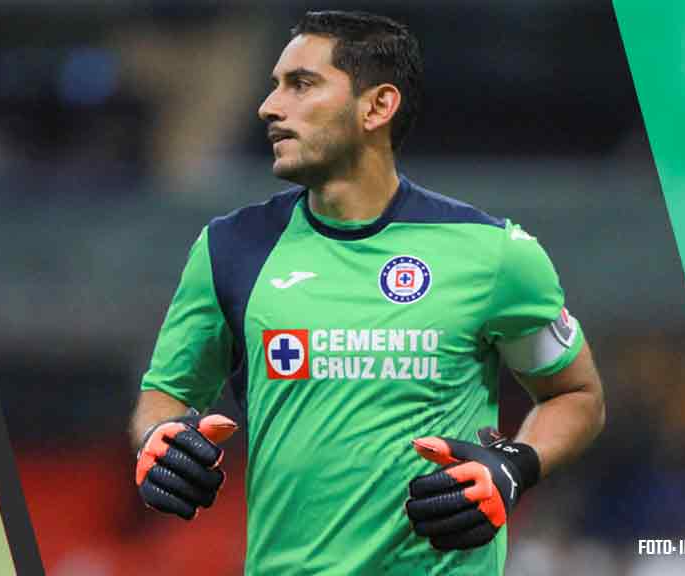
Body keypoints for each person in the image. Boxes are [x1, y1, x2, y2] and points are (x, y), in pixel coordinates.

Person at [130, 10, 605, 575]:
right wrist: (158, 439)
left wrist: (517, 466)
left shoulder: (495, 254)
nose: (269, 106)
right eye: (274, 84)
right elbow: (164, 395)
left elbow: (576, 395)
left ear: (377, 106)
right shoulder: (228, 249)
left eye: (301, 84)